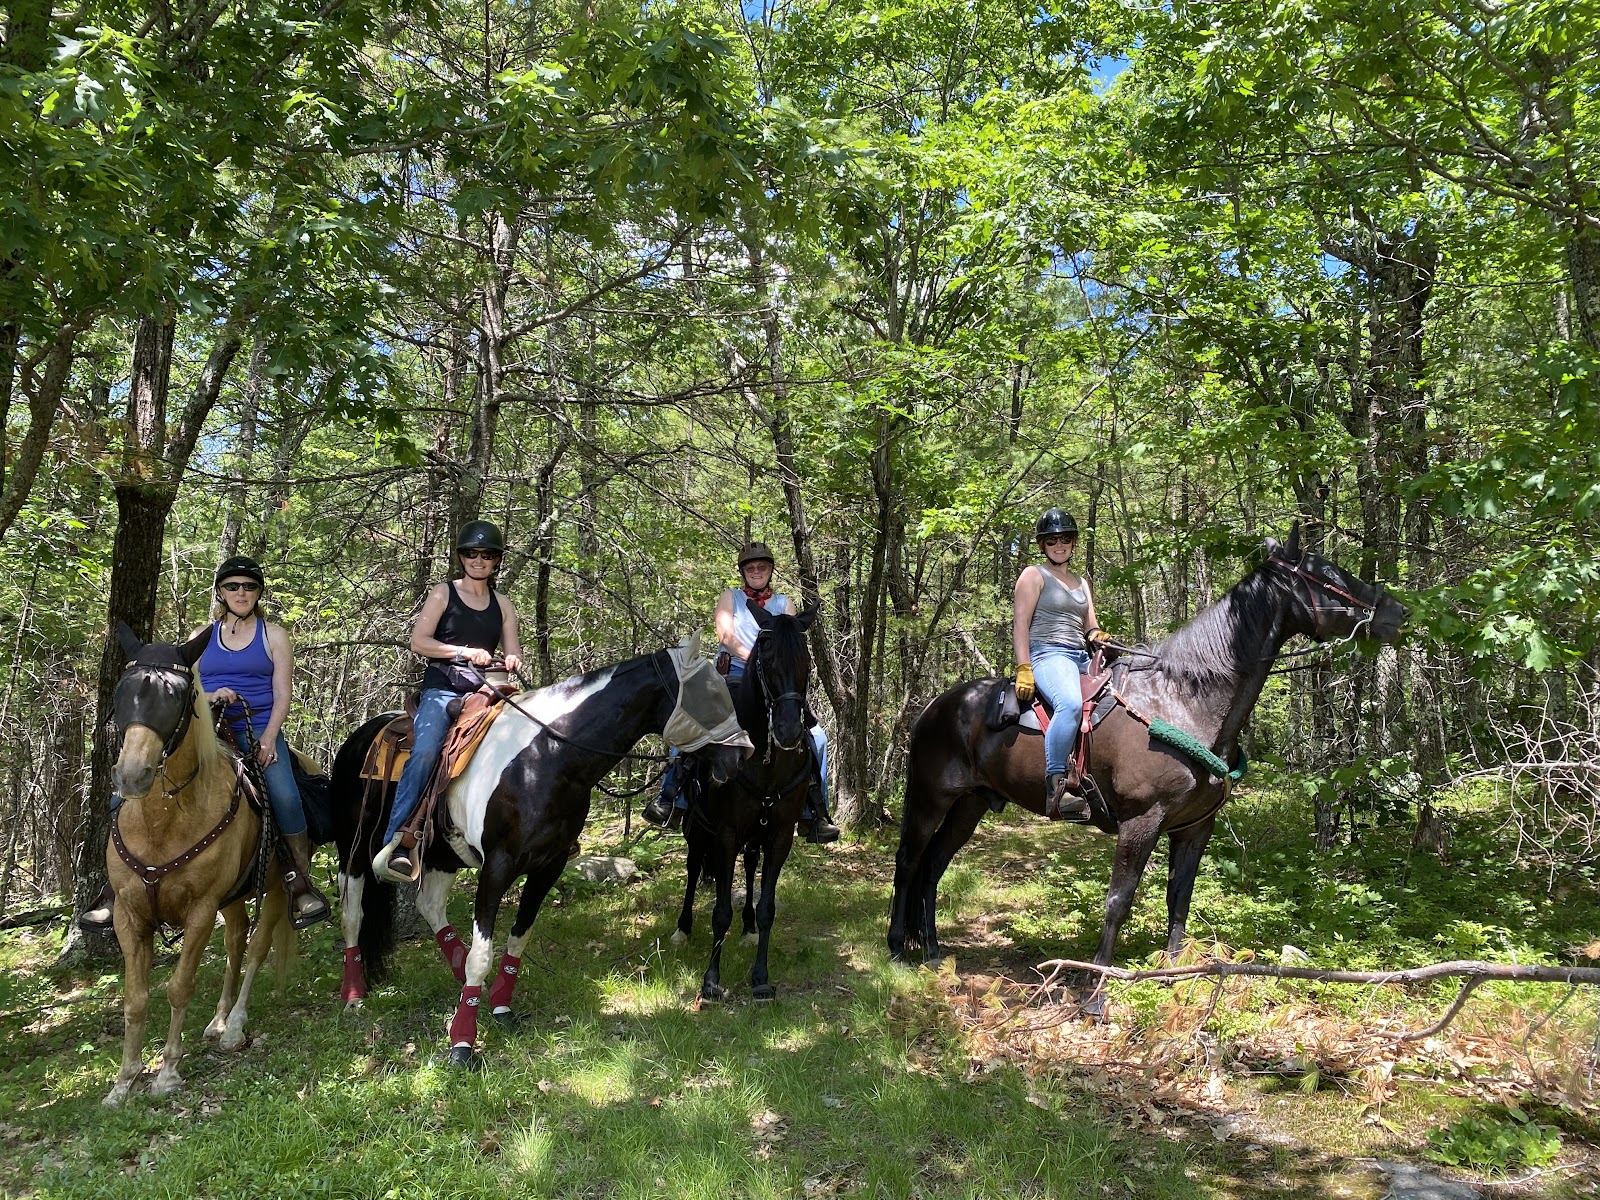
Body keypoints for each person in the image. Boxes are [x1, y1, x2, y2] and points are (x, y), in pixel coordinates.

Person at [80, 555, 331, 932]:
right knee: (126, 793)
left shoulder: (273, 635)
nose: (241, 593)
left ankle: (299, 881)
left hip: (257, 726)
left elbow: (283, 694)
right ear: (221, 592)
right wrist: (212, 693)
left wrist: (268, 739)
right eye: (233, 586)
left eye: (248, 586)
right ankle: (113, 887)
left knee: (286, 796)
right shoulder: (202, 635)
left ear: (258, 592)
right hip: (205, 729)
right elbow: (186, 689)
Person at [642, 541, 839, 843]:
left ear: (771, 570)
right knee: (692, 723)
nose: (756, 571)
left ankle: (814, 812)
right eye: (751, 568)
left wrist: (773, 669)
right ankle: (671, 798)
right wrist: (757, 661)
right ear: (743, 572)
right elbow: (726, 635)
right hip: (732, 674)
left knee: (819, 738)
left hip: (774, 683)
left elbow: (790, 643)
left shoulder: (784, 604)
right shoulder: (729, 597)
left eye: (762, 567)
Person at [373, 520, 524, 885]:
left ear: (496, 562)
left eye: (486, 555)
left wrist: (515, 660)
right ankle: (396, 841)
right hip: (444, 689)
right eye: (472, 553)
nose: (478, 560)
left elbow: (513, 650)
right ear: (461, 557)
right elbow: (419, 641)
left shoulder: (503, 604)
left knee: (527, 739)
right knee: (425, 751)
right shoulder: (443, 593)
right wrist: (463, 651)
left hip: (488, 691)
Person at [1012, 510, 1109, 823]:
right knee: (1068, 704)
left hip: (1081, 655)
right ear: (1043, 545)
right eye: (1051, 540)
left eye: (1065, 538)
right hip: (1048, 655)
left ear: (1073, 542)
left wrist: (1097, 634)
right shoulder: (1033, 575)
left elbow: (1090, 626)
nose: (1059, 544)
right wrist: (1023, 667)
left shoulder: (1082, 582)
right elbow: (1020, 624)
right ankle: (1057, 786)